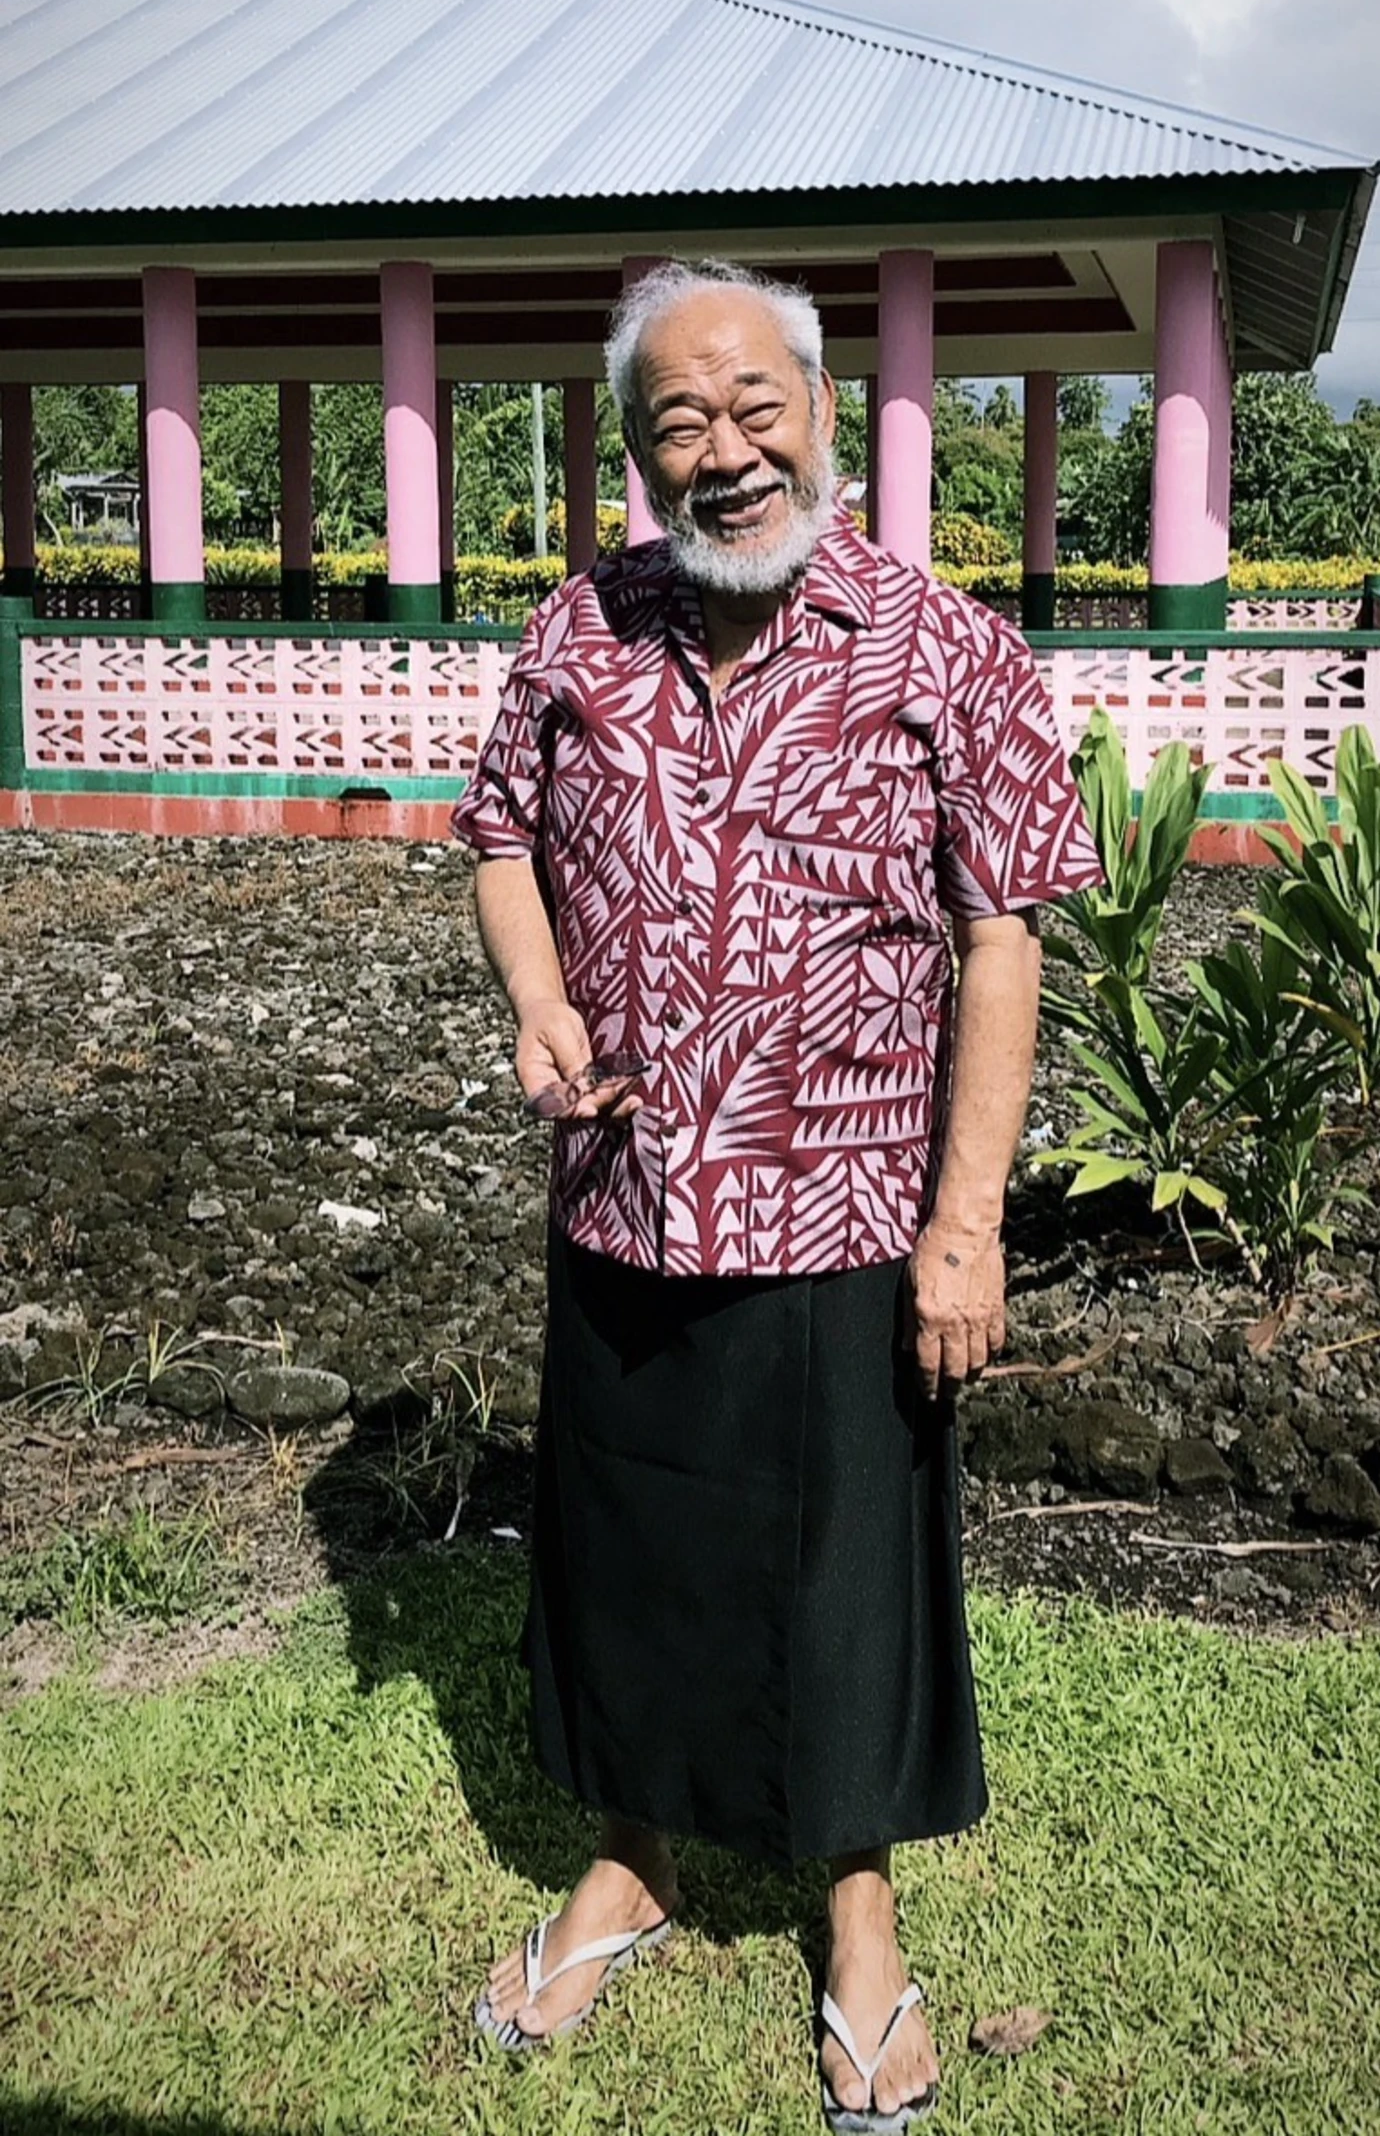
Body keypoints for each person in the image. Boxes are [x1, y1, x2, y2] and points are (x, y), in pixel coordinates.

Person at [451, 258, 1102, 2129]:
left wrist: (964, 1220)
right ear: (635, 451)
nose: (723, 453)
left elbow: (1003, 936)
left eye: (757, 409)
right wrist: (544, 1000)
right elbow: (501, 840)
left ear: (823, 410)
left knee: (847, 1583)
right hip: (630, 1193)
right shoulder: (582, 630)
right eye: (679, 423)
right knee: (631, 1549)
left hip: (847, 1218)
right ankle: (636, 1860)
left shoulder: (941, 644)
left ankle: (859, 1913)